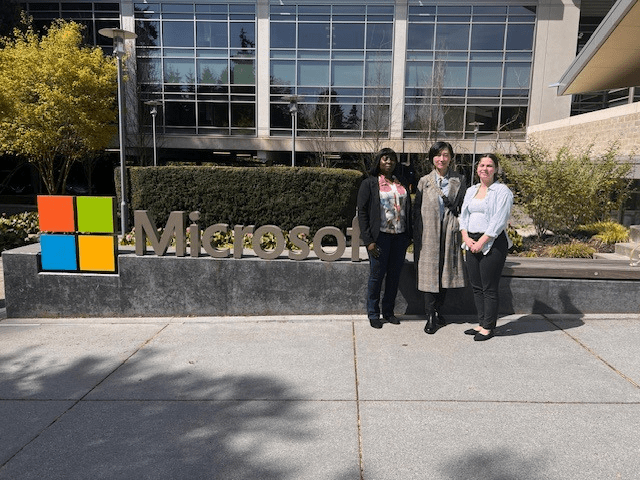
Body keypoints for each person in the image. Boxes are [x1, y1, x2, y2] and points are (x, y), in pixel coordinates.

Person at [413, 141, 467, 335]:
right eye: (438, 155)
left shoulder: (460, 180)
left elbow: (462, 208)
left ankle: (438, 310)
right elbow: (416, 211)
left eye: (445, 155)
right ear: (432, 158)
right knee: (429, 272)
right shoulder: (424, 181)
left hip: (449, 233)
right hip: (428, 233)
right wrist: (417, 235)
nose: (441, 159)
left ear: (450, 157)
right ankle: (430, 314)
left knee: (445, 272)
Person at [459, 153, 513, 341]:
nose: (485, 168)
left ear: (496, 169)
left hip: (492, 242)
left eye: (489, 165)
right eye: (481, 165)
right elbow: (463, 216)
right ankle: (482, 322)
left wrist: (482, 242)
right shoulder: (471, 190)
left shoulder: (502, 191)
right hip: (471, 241)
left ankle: (488, 327)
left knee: (489, 287)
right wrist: (466, 237)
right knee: (476, 286)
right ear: (477, 169)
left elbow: (499, 220)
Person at [357, 147, 412, 329]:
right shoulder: (369, 184)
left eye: (392, 159)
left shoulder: (401, 182)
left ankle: (388, 312)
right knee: (376, 277)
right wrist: (369, 241)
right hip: (380, 238)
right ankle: (373, 313)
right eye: (385, 159)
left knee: (394, 277)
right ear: (379, 161)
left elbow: (408, 210)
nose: (389, 162)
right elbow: (362, 213)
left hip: (399, 237)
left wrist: (408, 237)